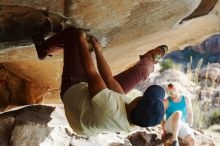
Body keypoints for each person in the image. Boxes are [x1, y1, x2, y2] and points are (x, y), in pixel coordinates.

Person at [34, 26, 168, 136]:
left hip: (74, 91)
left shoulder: (109, 108)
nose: (140, 96)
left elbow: (91, 73)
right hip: (98, 103)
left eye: (142, 97)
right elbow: (109, 80)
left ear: (136, 103)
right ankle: (150, 60)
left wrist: (82, 43)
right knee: (143, 71)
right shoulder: (137, 118)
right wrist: (98, 52)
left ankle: (43, 49)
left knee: (73, 34)